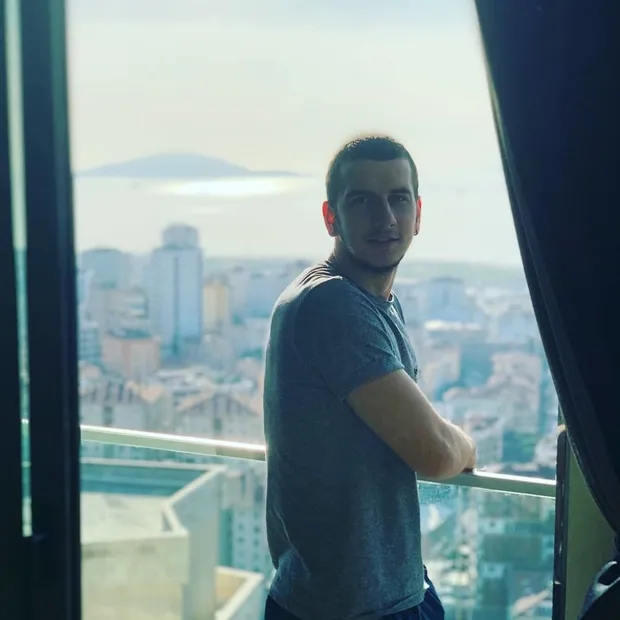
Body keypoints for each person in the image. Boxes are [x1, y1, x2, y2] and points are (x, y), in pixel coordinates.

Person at [263, 135, 478, 620]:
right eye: (362, 201)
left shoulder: (370, 301)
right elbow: (433, 452)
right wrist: (466, 445)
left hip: (379, 592)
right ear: (331, 217)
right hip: (351, 609)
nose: (385, 219)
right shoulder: (333, 304)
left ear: (418, 214)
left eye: (398, 199)